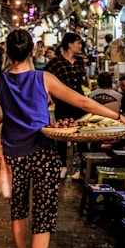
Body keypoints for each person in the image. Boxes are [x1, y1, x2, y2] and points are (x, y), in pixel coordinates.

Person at [0, 29, 125, 248]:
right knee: (43, 214)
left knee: (18, 209)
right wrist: (120, 117)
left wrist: (6, 117)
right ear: (32, 51)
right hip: (43, 152)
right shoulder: (43, 79)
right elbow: (83, 102)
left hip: (14, 155)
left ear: (9, 53)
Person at [44, 32, 87, 179]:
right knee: (62, 135)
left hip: (80, 102)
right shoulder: (55, 63)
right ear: (69, 44)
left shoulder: (80, 61)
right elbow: (45, 79)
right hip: (63, 103)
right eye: (78, 43)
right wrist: (50, 95)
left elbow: (82, 81)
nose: (80, 46)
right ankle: (62, 166)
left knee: (81, 135)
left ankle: (82, 168)